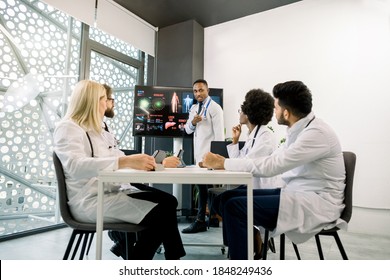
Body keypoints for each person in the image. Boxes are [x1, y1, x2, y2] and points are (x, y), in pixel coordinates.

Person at [203, 80, 346, 259]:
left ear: (286, 113)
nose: (274, 111)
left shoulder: (316, 134)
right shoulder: (299, 130)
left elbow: (272, 166)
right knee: (227, 199)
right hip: (297, 193)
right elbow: (270, 161)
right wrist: (224, 161)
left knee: (234, 206)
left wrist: (222, 163)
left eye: (276, 107)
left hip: (316, 203)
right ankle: (245, 251)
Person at [53, 80, 186, 260]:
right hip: (90, 200)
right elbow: (75, 166)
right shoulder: (68, 127)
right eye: (103, 98)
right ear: (91, 101)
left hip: (111, 191)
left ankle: (167, 259)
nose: (107, 103)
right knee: (162, 213)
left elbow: (120, 158)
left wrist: (152, 163)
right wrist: (123, 162)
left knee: (169, 201)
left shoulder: (98, 129)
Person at [182, 79, 224, 233]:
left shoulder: (215, 108)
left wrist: (217, 158)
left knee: (207, 187)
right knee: (202, 187)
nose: (198, 93)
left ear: (208, 91)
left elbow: (219, 135)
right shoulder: (193, 108)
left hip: (210, 157)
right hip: (199, 156)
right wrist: (193, 122)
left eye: (201, 90)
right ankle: (208, 218)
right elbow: (187, 130)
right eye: (195, 91)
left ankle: (203, 219)